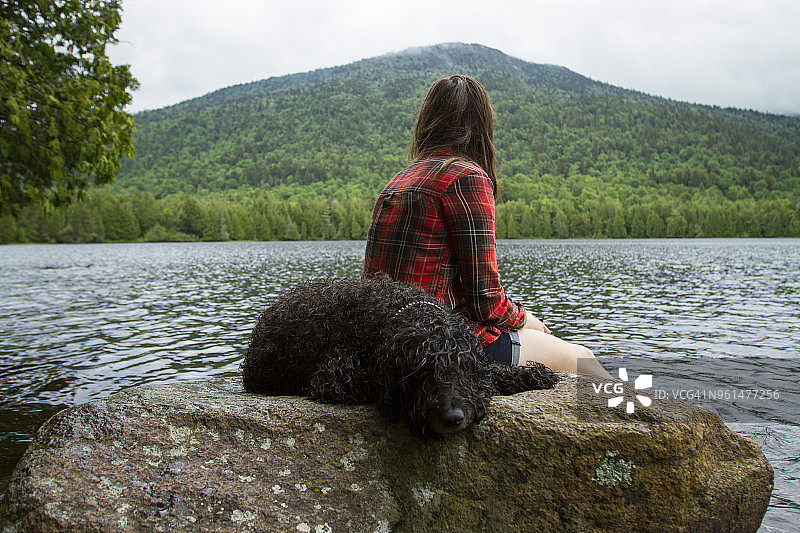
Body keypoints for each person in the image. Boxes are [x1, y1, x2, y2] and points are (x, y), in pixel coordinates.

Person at [363, 74, 611, 379]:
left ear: (427, 120)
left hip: (385, 344)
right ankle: (634, 418)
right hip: (441, 347)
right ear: (482, 126)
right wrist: (527, 320)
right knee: (583, 358)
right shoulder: (466, 177)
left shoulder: (399, 180)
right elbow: (486, 303)